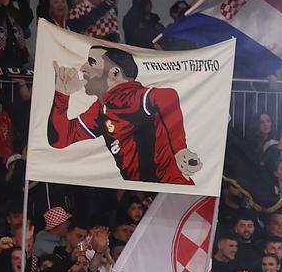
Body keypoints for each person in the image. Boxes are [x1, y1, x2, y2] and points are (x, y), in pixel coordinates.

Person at [49, 45, 200, 185]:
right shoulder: (100, 109)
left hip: (171, 188)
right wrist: (62, 95)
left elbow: (168, 97)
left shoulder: (131, 96)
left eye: (91, 62)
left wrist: (180, 149)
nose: (83, 68)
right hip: (144, 191)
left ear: (114, 73)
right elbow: (60, 139)